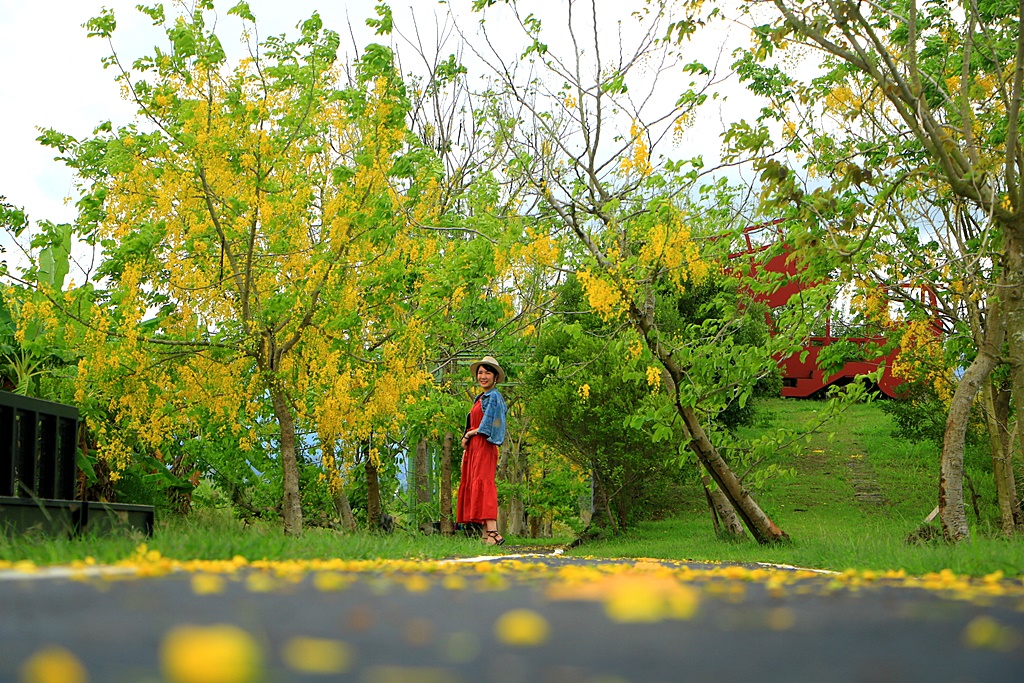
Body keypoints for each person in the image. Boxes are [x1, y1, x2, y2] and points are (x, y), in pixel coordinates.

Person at [456, 355, 508, 546]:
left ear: (495, 377)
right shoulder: (481, 398)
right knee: (476, 483)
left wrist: (471, 434)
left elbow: (492, 424)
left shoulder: (494, 396)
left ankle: (493, 531)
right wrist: (467, 438)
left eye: (487, 373)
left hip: (484, 445)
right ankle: (487, 536)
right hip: (475, 447)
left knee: (484, 483)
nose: (483, 376)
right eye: (480, 372)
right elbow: (474, 421)